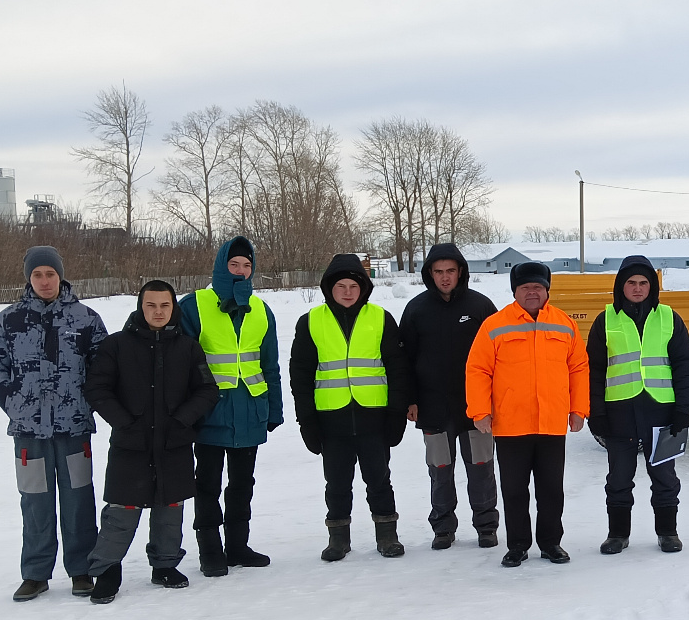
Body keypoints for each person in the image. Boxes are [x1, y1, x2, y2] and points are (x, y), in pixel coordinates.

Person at [0, 246, 109, 602]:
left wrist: (86, 403)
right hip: (28, 433)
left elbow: (105, 370)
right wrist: (13, 402)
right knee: (35, 502)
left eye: (50, 274)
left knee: (79, 500)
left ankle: (82, 570)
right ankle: (35, 573)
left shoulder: (85, 319)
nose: (45, 281)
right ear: (28, 278)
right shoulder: (10, 320)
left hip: (74, 431)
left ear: (60, 276)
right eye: (38, 275)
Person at [82, 281, 221, 604]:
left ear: (173, 308)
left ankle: (165, 564)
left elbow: (207, 390)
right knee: (122, 512)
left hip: (174, 443)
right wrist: (124, 422)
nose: (158, 312)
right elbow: (97, 388)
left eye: (164, 306)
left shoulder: (187, 347)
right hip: (131, 444)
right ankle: (106, 570)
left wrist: (182, 420)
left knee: (170, 509)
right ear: (140, 307)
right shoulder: (116, 345)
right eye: (151, 305)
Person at [290, 254, 413, 561]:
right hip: (332, 420)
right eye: (340, 286)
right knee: (336, 482)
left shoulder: (380, 318)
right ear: (329, 288)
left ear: (364, 288)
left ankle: (387, 536)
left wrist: (396, 414)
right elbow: (300, 375)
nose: (347, 292)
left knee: (379, 479)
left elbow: (398, 369)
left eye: (353, 286)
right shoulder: (311, 322)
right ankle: (338, 538)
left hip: (374, 416)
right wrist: (307, 420)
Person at [466, 262, 589, 567]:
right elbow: (478, 369)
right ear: (515, 291)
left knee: (551, 490)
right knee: (514, 490)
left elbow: (579, 368)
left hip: (551, 423)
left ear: (547, 290)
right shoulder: (495, 324)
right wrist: (480, 410)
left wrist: (578, 409)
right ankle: (518, 544)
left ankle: (550, 543)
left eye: (538, 287)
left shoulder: (564, 324)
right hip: (510, 423)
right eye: (525, 287)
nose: (532, 292)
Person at [178, 236, 284, 576]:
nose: (240, 271)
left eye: (247, 265)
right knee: (206, 483)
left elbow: (270, 365)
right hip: (211, 412)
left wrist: (275, 409)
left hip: (250, 411)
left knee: (243, 483)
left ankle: (237, 546)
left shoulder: (261, 311)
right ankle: (210, 551)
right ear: (222, 266)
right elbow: (183, 362)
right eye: (234, 264)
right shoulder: (193, 305)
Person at [587, 256, 689, 554]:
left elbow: (683, 365)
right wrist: (595, 412)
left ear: (652, 286)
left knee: (664, 475)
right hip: (619, 412)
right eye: (631, 283)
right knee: (619, 476)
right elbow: (594, 370)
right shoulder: (605, 319)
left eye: (643, 283)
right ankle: (618, 534)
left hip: (663, 411)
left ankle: (668, 532)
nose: (637, 288)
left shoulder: (669, 318)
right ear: (621, 286)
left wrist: (684, 409)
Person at [400, 243, 500, 550]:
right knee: (440, 473)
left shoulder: (481, 307)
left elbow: (500, 357)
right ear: (430, 273)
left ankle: (486, 525)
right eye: (439, 272)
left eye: (451, 271)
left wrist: (494, 398)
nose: (445, 278)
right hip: (433, 408)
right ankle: (443, 528)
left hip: (475, 409)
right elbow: (404, 360)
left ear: (461, 272)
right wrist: (410, 399)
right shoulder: (416, 309)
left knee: (481, 470)